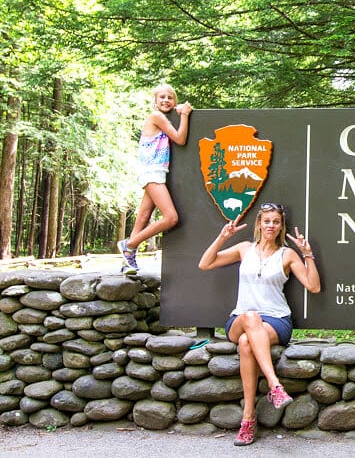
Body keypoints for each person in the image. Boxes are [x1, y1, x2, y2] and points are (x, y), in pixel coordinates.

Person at [198, 203, 321, 446]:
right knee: (250, 317)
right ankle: (275, 385)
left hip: (276, 321)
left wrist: (307, 254)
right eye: (267, 221)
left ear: (280, 225)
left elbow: (313, 286)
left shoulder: (287, 255)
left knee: (246, 343)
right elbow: (205, 263)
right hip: (241, 319)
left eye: (276, 222)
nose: (271, 226)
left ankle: (247, 419)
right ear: (259, 224)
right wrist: (222, 238)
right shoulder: (245, 249)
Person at [118, 84, 192, 274]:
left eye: (170, 97)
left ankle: (127, 262)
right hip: (151, 171)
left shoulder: (163, 118)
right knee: (170, 218)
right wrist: (184, 114)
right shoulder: (157, 117)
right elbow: (180, 138)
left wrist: (178, 112)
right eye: (162, 97)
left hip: (153, 171)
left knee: (143, 217)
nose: (166, 100)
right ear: (155, 101)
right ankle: (130, 244)